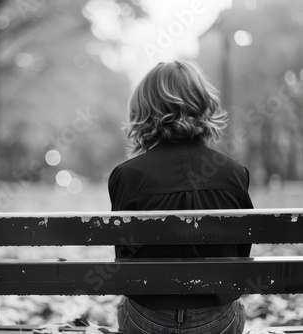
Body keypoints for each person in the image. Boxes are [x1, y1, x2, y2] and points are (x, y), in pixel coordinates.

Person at [108, 60, 253, 334]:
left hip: (147, 320)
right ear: (201, 103)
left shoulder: (127, 176)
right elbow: (241, 251)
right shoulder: (235, 173)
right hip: (218, 320)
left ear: (144, 109)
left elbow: (124, 255)